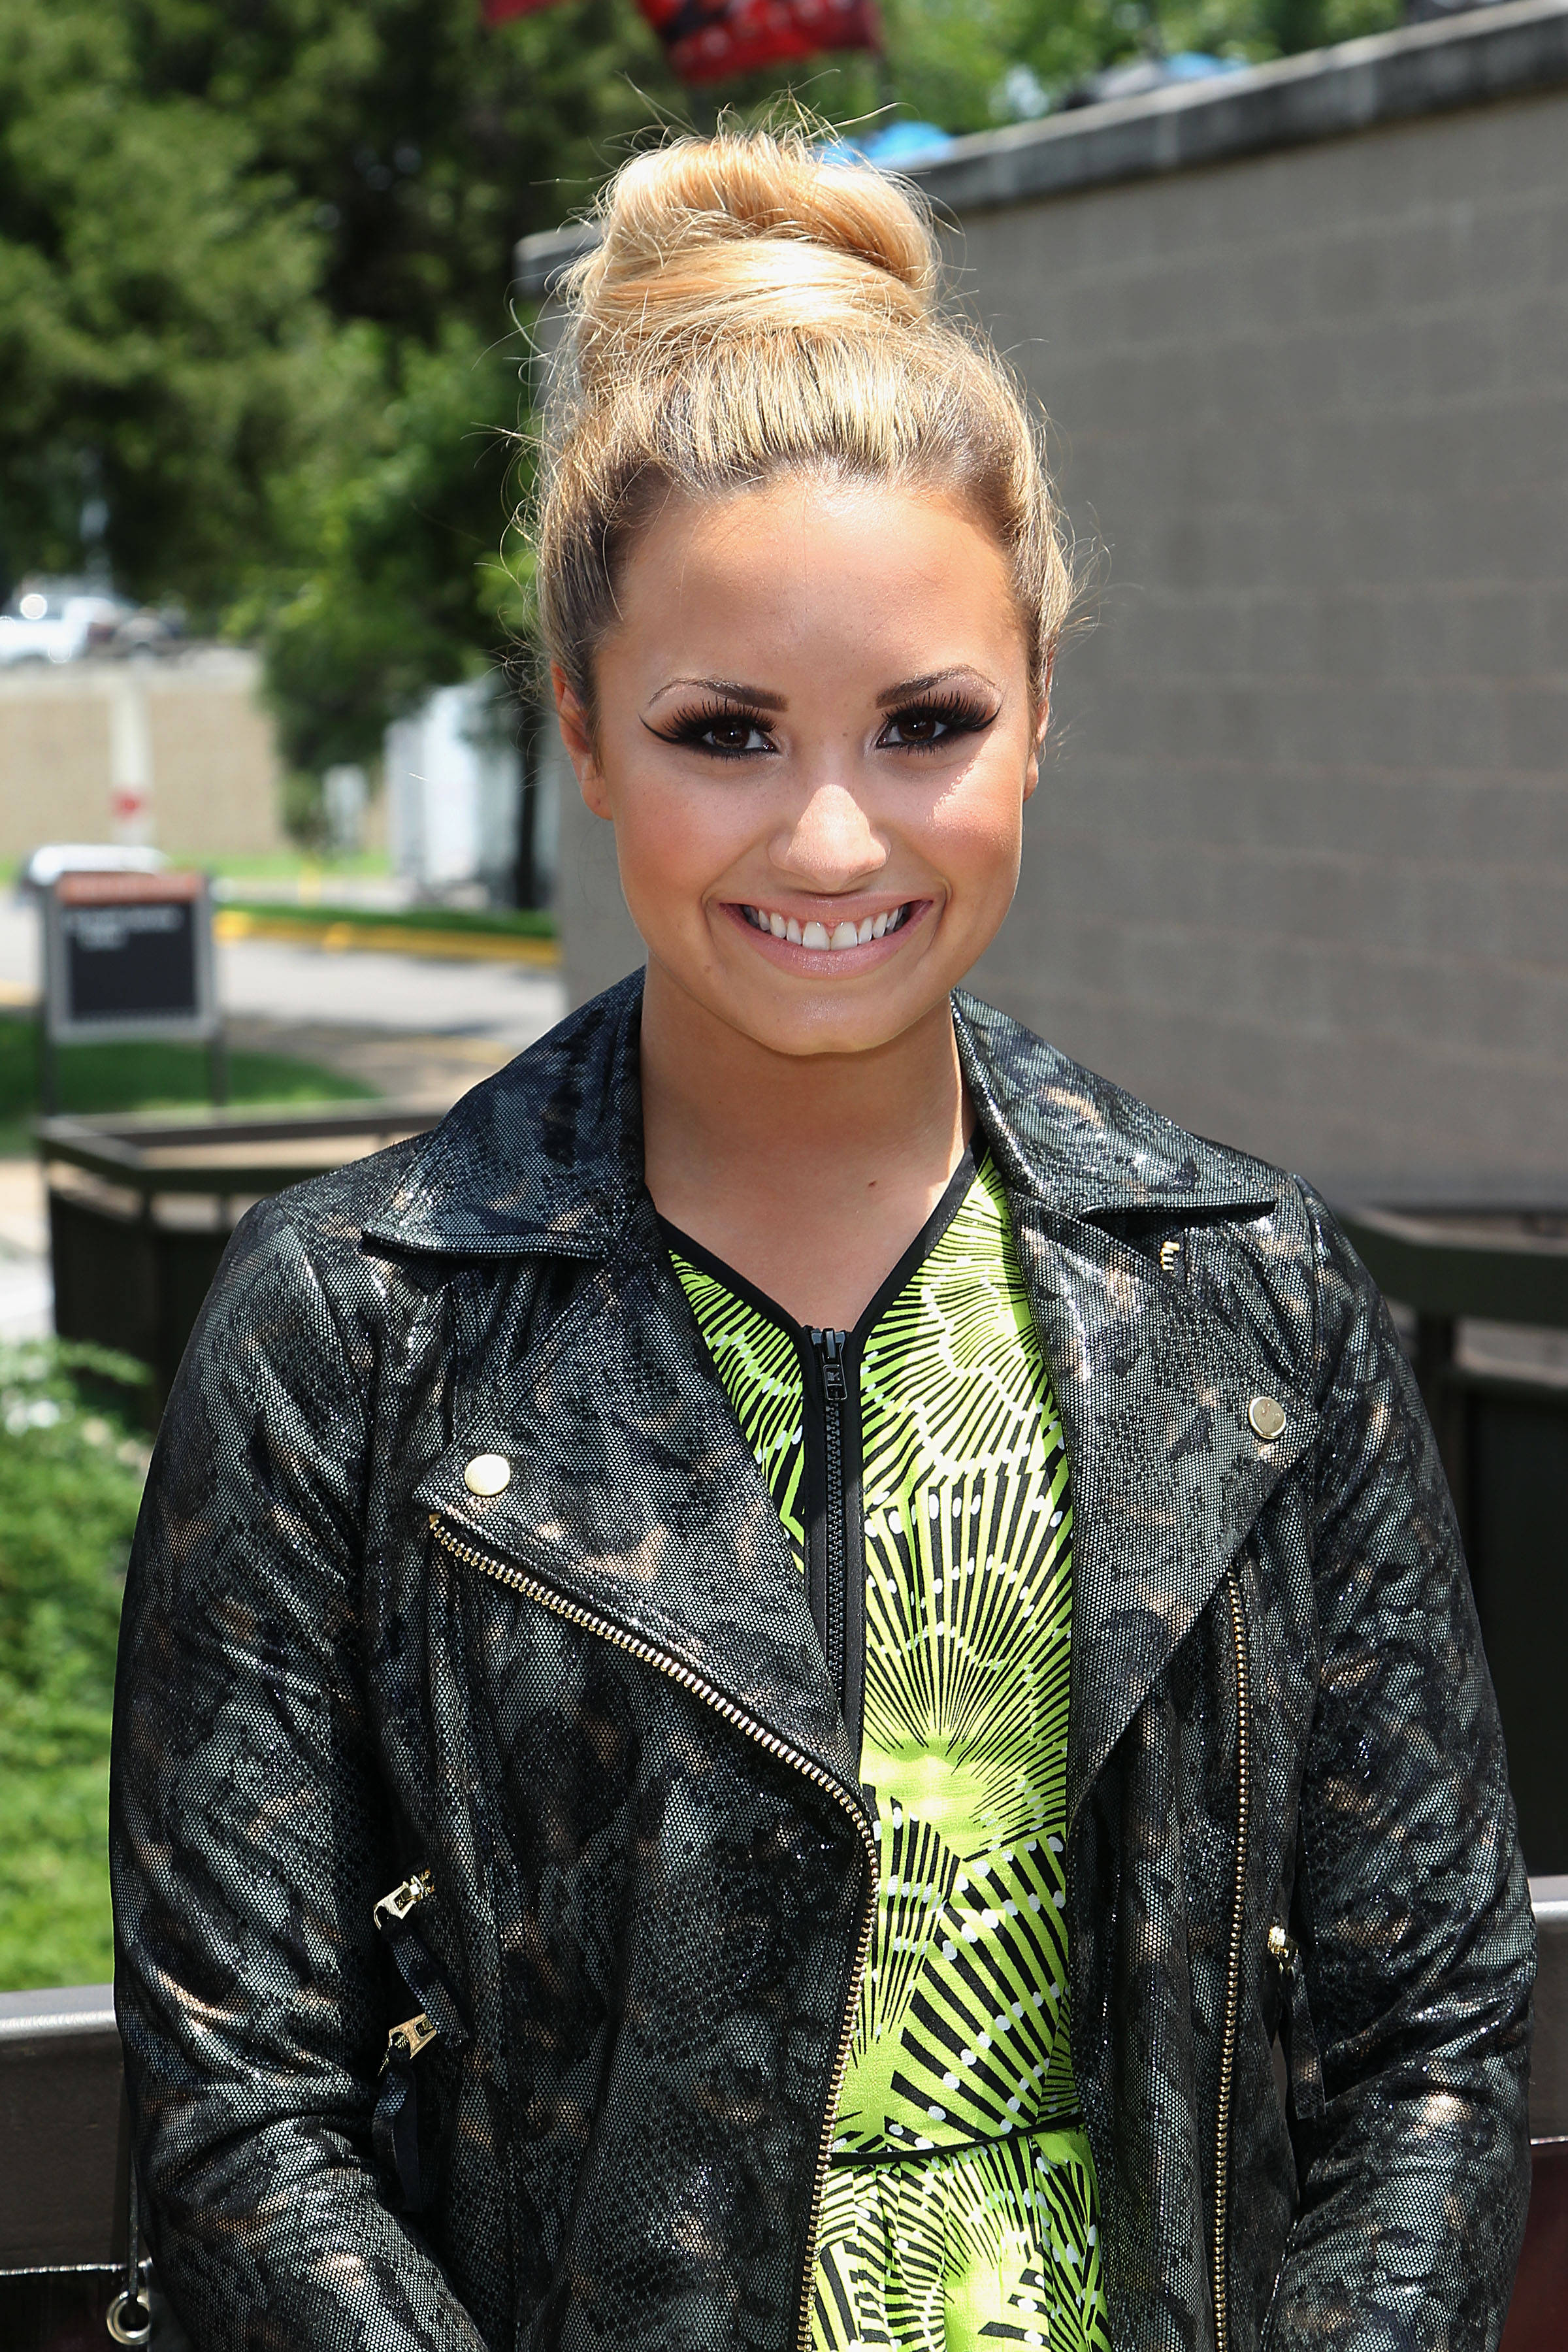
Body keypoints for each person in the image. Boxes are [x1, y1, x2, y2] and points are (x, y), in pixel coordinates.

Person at [111, 129, 1534, 2352]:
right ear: (583, 730)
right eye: (727, 734)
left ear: (1041, 709)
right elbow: (240, 2115)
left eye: (926, 723)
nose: (835, 832)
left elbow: (1433, 2039)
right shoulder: (351, 1330)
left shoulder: (1252, 1300)